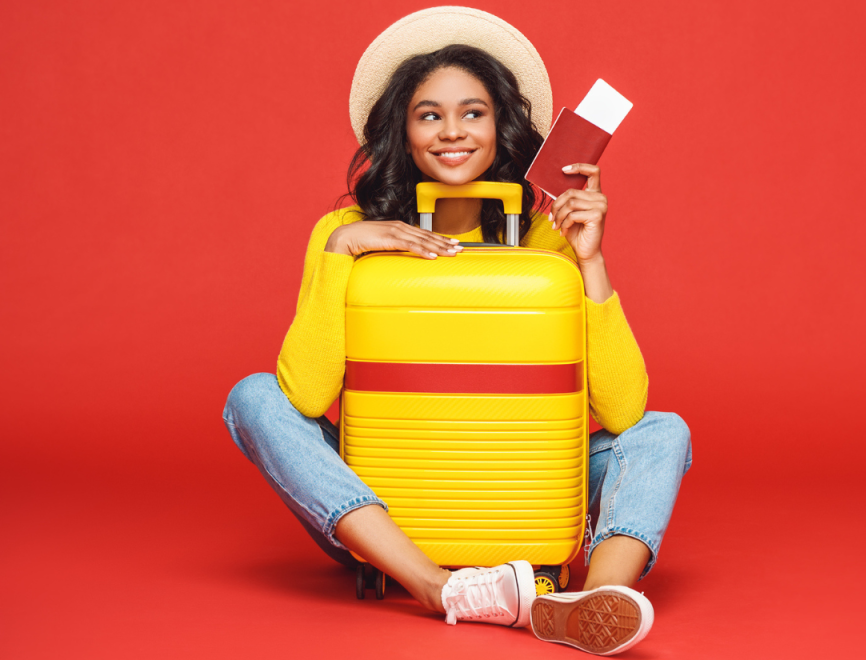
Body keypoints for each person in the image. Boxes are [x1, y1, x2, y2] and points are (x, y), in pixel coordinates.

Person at [222, 7, 690, 656]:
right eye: (429, 114)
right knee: (253, 396)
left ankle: (594, 598)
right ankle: (438, 586)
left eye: (473, 113)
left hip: (531, 484)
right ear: (402, 130)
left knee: (664, 431)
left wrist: (591, 261)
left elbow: (623, 409)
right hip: (390, 500)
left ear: (502, 127)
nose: (452, 133)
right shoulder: (348, 232)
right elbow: (303, 398)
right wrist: (342, 252)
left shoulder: (546, 233)